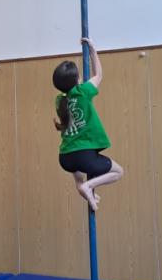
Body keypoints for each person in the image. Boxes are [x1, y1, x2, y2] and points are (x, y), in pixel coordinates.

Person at [52, 38, 123, 210]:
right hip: (84, 155)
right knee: (118, 172)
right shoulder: (83, 92)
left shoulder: (59, 101)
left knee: (79, 180)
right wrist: (92, 48)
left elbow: (71, 91)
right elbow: (98, 74)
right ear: (77, 80)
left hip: (65, 156)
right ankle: (88, 186)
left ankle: (86, 191)